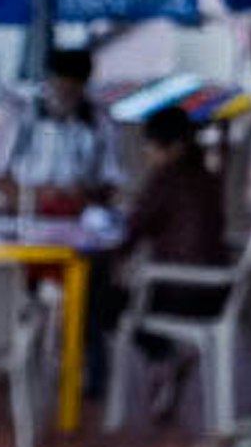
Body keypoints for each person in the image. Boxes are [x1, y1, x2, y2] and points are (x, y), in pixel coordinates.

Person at [96, 101, 235, 390]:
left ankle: (160, 357)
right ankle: (164, 358)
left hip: (183, 292)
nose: (147, 153)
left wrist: (113, 253)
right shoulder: (207, 177)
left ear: (174, 148)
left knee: (99, 299)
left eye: (152, 146)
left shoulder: (167, 179)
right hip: (220, 292)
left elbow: (131, 231)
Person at [0, 41, 127, 216]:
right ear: (48, 83)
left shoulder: (100, 121)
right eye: (59, 89)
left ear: (84, 88)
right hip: (18, 219)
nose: (64, 99)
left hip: (75, 222)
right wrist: (36, 197)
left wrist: (79, 198)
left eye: (72, 92)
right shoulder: (16, 116)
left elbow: (112, 182)